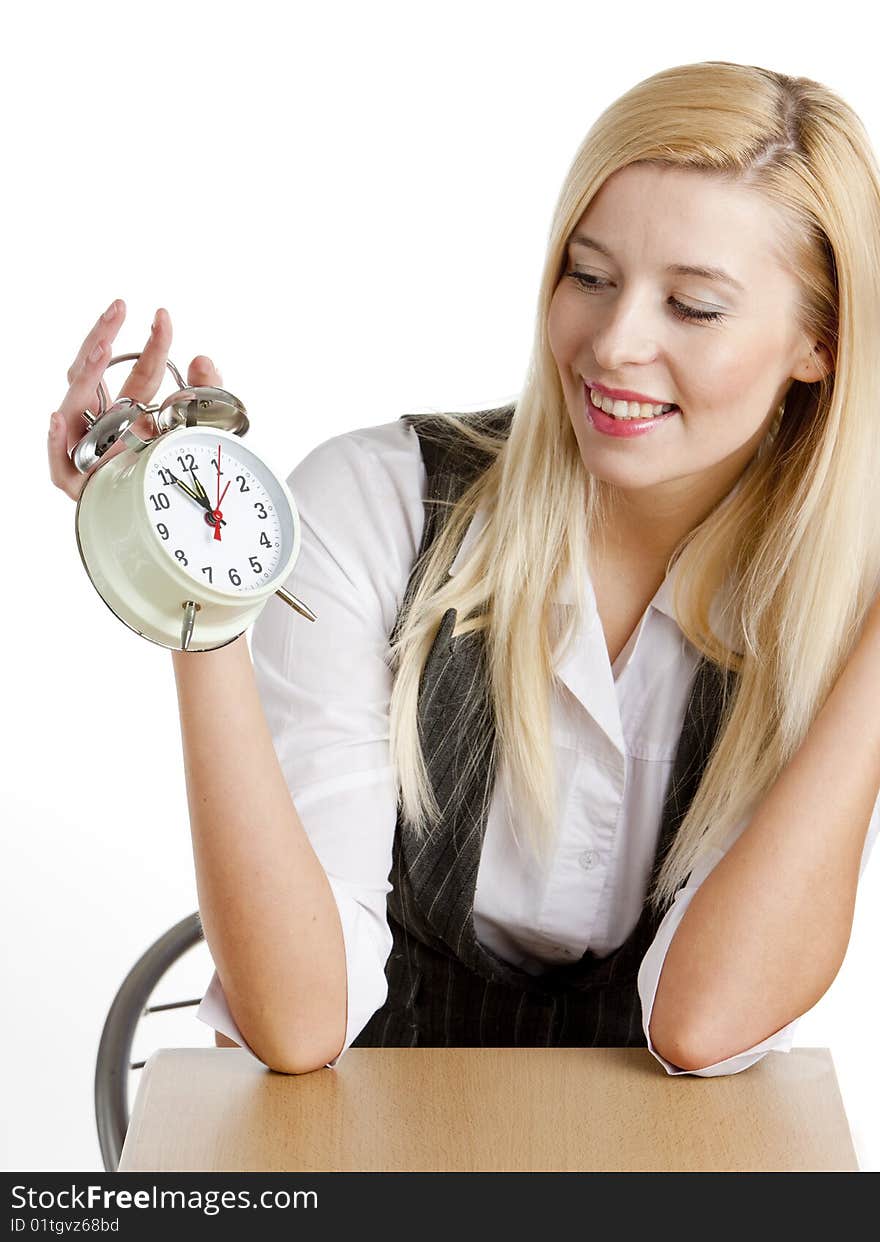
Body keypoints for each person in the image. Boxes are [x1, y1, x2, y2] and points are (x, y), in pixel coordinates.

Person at [48, 59, 880, 1079]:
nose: (614, 344)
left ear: (820, 344)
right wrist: (195, 593)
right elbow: (300, 1023)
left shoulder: (838, 601)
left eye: (694, 307)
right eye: (589, 275)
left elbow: (701, 1028)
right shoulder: (378, 508)